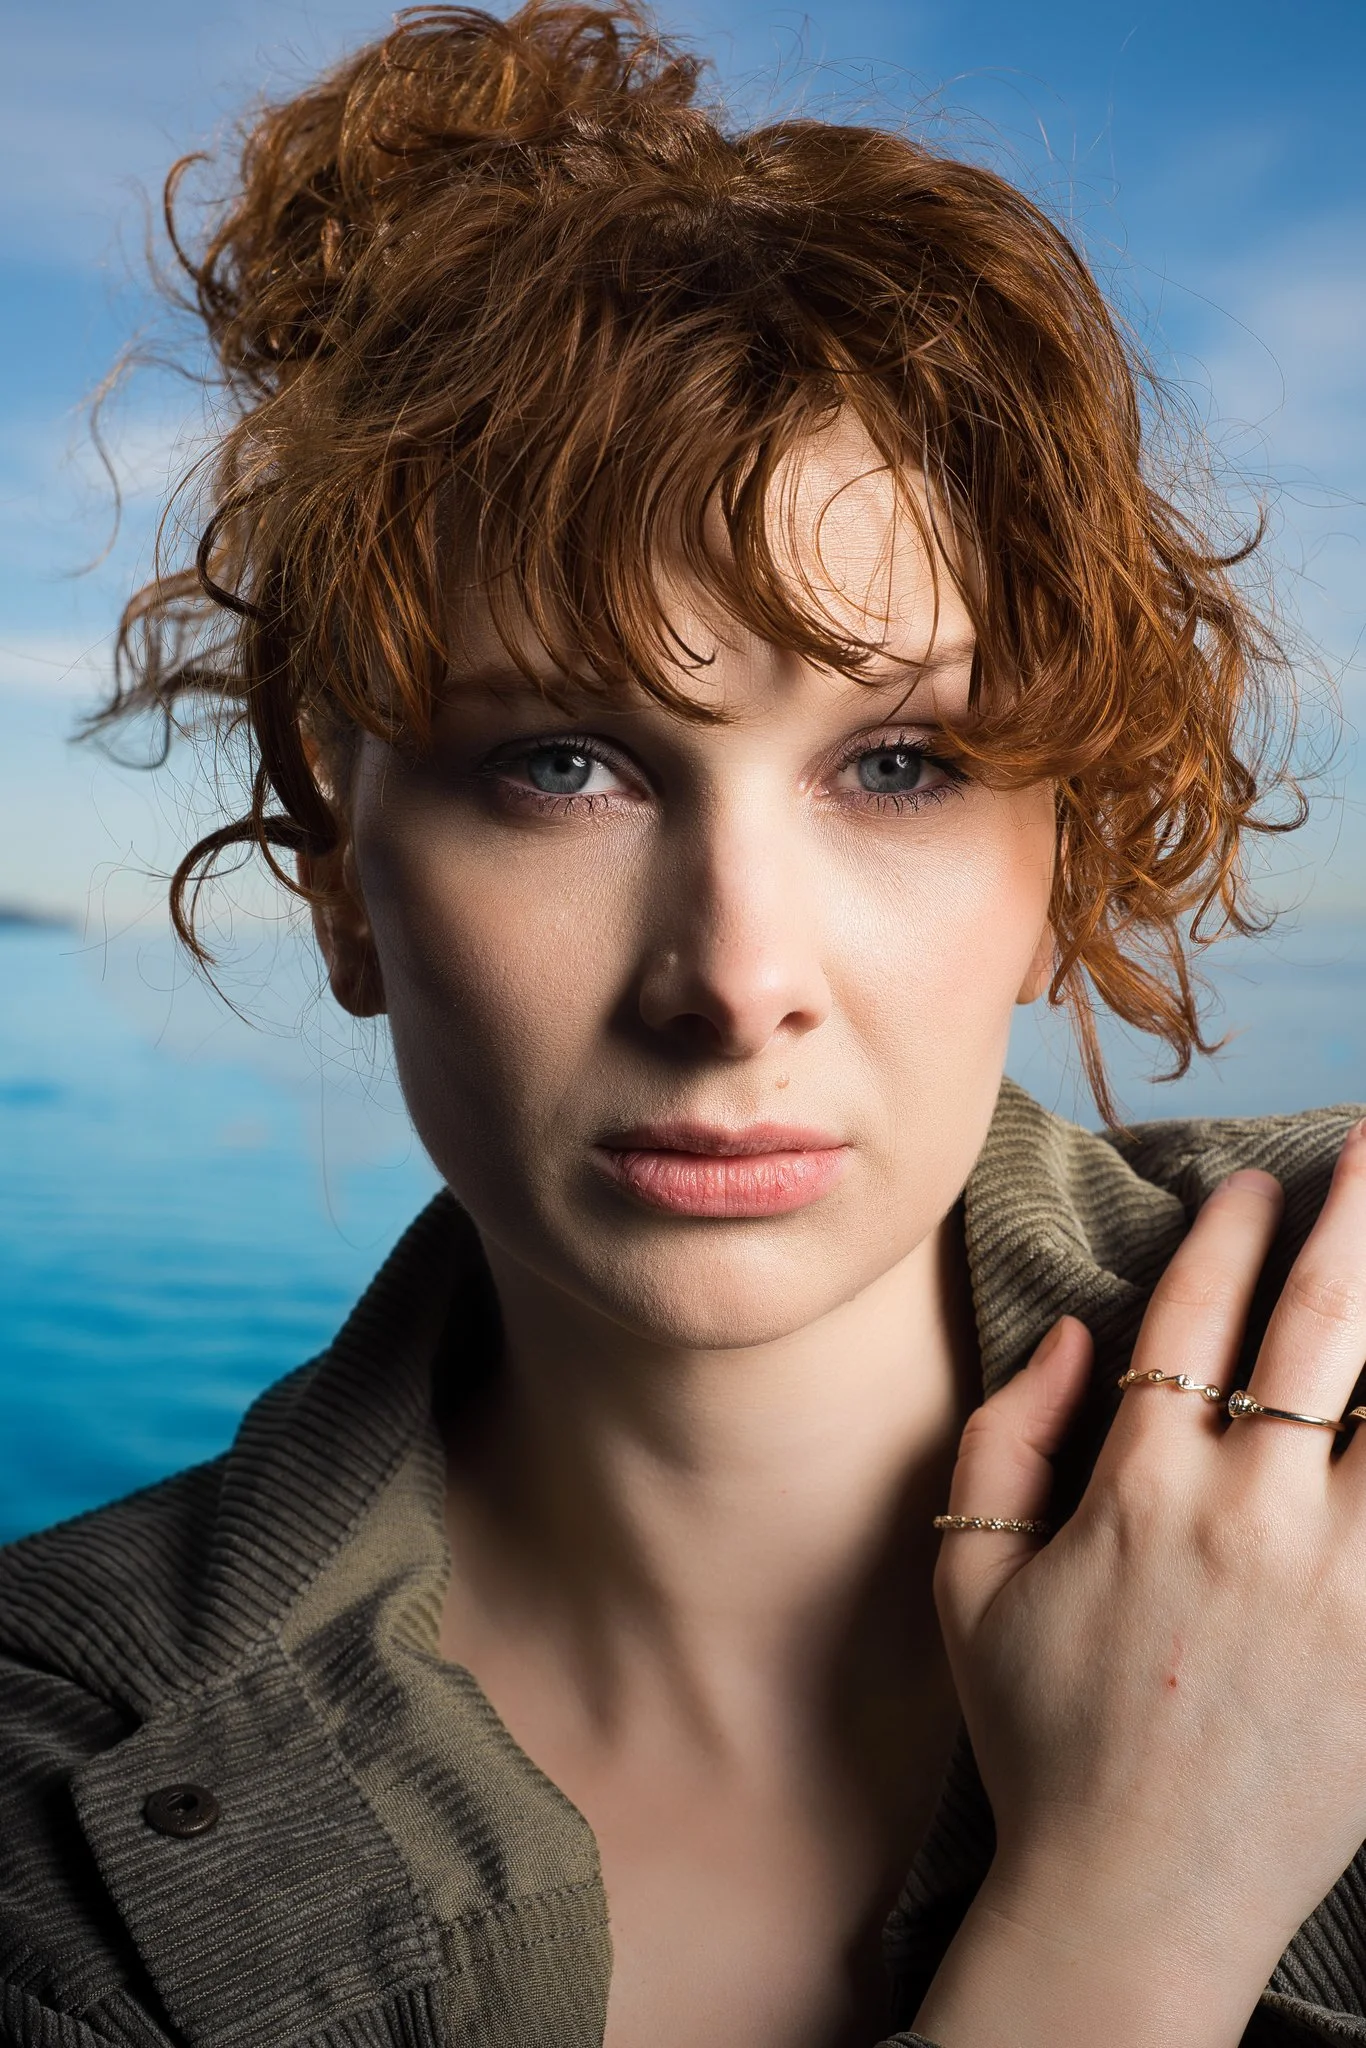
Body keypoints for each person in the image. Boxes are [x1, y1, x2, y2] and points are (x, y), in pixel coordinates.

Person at [1, 5, 1363, 2044]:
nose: (733, 979)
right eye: (562, 762)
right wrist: (1117, 1925)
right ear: (336, 856)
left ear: (1056, 866)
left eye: (896, 765)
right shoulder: (59, 1792)